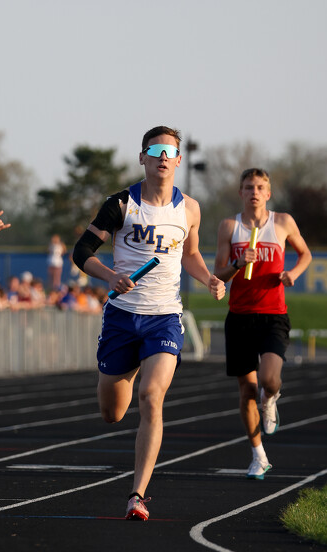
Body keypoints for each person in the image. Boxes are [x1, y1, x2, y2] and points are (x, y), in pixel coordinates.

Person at [73, 125, 225, 520]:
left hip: (164, 318)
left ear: (178, 160)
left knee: (151, 396)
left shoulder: (189, 209)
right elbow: (82, 251)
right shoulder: (121, 204)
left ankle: (137, 495)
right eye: (155, 151)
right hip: (122, 318)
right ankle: (123, 370)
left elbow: (189, 254)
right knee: (112, 413)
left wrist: (208, 277)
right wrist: (110, 276)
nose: (162, 157)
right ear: (142, 157)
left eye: (169, 152)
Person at [214, 168, 312, 480]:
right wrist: (237, 263)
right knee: (247, 391)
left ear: (268, 193)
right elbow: (218, 273)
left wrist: (292, 274)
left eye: (260, 187)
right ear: (240, 193)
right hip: (239, 317)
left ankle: (270, 401)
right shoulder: (229, 226)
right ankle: (259, 456)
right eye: (248, 187)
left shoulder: (282, 222)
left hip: (273, 315)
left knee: (269, 380)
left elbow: (305, 254)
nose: (254, 192)